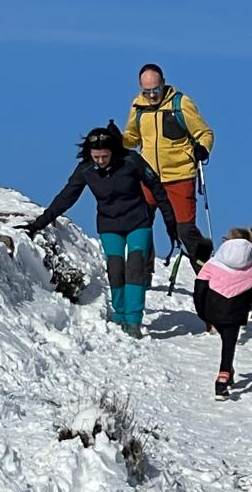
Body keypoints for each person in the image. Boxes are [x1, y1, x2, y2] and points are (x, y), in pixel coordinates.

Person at [22, 122, 177, 339]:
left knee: (135, 267)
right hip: (109, 225)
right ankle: (120, 314)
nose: (101, 161)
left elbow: (157, 189)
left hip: (138, 222)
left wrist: (171, 224)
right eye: (96, 157)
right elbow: (66, 197)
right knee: (115, 268)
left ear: (113, 151)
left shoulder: (131, 161)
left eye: (105, 156)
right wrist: (38, 224)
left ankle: (133, 320)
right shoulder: (86, 169)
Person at [121, 63, 215, 264]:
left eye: (156, 90)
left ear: (163, 83)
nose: (151, 95)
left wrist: (203, 148)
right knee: (140, 224)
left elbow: (204, 133)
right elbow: (133, 137)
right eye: (146, 91)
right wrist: (118, 140)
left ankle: (206, 272)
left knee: (185, 230)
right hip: (148, 175)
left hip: (179, 175)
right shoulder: (138, 106)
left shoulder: (180, 104)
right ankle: (141, 272)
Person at [193, 227, 252, 399]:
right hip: (236, 311)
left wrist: (202, 312)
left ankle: (226, 371)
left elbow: (200, 288)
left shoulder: (213, 263)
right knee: (229, 343)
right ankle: (223, 378)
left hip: (214, 310)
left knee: (226, 339)